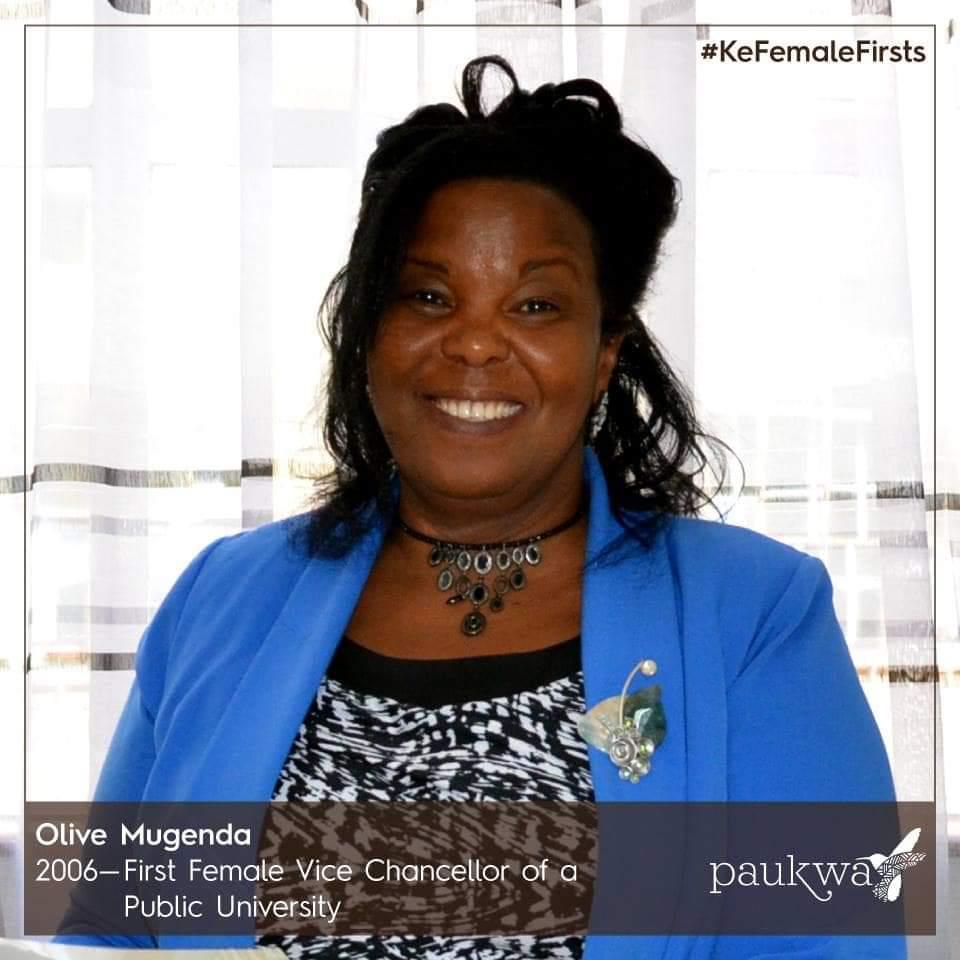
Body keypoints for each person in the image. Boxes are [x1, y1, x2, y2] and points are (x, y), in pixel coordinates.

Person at [58, 57, 903, 958]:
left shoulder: (755, 614)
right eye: (428, 296)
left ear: (604, 353)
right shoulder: (223, 596)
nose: (472, 343)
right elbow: (110, 931)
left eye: (535, 305)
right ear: (368, 332)